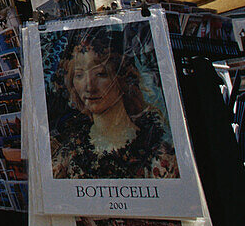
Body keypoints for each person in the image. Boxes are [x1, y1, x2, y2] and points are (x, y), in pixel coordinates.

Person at [50, 36, 179, 180]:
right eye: (79, 75)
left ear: (122, 78)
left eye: (100, 74)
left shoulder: (158, 155)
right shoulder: (69, 150)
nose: (89, 86)